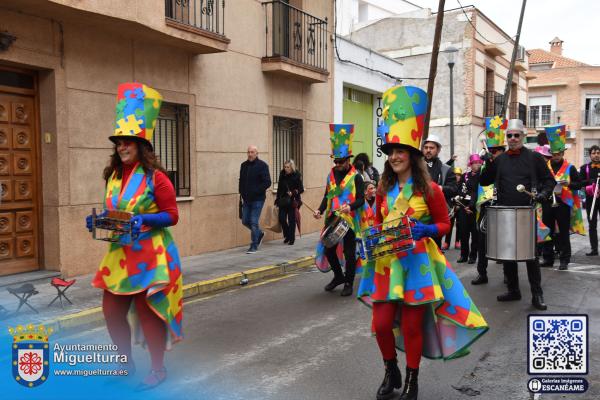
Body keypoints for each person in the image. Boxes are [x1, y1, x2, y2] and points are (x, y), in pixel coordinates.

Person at [358, 85, 488, 400]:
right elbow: (376, 224)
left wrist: (424, 231)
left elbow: (445, 224)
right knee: (381, 323)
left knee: (414, 327)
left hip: (417, 266)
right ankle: (392, 370)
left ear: (414, 155)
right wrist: (368, 242)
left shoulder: (431, 190)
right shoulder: (383, 190)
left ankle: (412, 382)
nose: (394, 156)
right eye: (390, 152)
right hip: (387, 266)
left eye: (400, 150)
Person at [86, 82, 183, 390]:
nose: (123, 147)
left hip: (150, 256)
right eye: (119, 142)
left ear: (142, 146)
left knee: (148, 311)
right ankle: (124, 362)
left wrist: (145, 218)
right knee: (111, 312)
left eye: (129, 141)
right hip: (119, 254)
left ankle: (158, 369)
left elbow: (173, 216)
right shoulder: (112, 176)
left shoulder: (158, 179)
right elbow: (115, 213)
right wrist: (98, 220)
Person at [479, 118, 554, 310]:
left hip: (527, 213)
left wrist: (544, 194)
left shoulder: (534, 158)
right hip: (504, 212)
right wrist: (487, 163)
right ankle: (514, 290)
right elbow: (484, 181)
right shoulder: (500, 160)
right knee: (508, 254)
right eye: (509, 135)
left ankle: (537, 294)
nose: (512, 139)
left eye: (516, 135)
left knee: (531, 256)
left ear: (523, 136)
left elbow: (549, 181)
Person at [314, 124, 365, 297]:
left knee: (349, 253)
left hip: (349, 219)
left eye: (340, 162)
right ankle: (338, 276)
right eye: (335, 161)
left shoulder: (356, 176)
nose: (337, 164)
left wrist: (350, 206)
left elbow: (361, 199)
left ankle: (349, 283)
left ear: (348, 160)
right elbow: (327, 195)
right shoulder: (331, 175)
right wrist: (320, 210)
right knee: (328, 249)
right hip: (332, 217)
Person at [541, 125, 584, 270]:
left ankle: (564, 259)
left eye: (559, 153)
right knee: (547, 231)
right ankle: (548, 258)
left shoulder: (570, 168)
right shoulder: (545, 166)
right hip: (548, 203)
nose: (556, 156)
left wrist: (569, 183)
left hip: (563, 203)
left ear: (562, 153)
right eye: (554, 153)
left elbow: (579, 184)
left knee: (564, 232)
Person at [471, 116, 506, 285]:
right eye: (491, 150)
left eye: (496, 150)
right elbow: (483, 183)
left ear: (502, 150)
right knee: (482, 242)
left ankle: (508, 276)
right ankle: (481, 273)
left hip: (505, 207)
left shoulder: (508, 164)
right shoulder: (487, 165)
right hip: (488, 207)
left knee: (506, 243)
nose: (493, 153)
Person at [422, 134, 458, 247]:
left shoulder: (446, 169)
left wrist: (440, 188)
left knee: (434, 248)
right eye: (426, 147)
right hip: (418, 215)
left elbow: (454, 189)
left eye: (431, 148)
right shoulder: (414, 167)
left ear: (438, 150)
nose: (428, 150)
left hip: (435, 217)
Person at [239, 145, 271, 254]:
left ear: (257, 153)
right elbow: (241, 180)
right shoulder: (243, 165)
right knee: (245, 221)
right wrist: (241, 192)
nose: (250, 154)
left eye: (252, 152)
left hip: (258, 199)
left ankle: (254, 245)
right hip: (246, 199)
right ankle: (259, 233)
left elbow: (267, 182)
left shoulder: (262, 166)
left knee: (253, 221)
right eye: (248, 152)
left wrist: (256, 191)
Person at [457, 155, 482, 264]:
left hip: (475, 208)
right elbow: (460, 191)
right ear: (470, 165)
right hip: (464, 207)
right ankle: (464, 255)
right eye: (475, 162)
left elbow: (477, 193)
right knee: (463, 232)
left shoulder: (481, 177)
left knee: (475, 234)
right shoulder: (464, 176)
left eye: (479, 162)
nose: (477, 164)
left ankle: (473, 256)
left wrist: (471, 206)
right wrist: (463, 205)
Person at [275, 160, 304, 245]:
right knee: (282, 218)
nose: (286, 169)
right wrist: (277, 199)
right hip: (283, 200)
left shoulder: (296, 175)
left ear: (292, 167)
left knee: (292, 220)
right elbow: (279, 188)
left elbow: (301, 189)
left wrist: (293, 192)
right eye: (285, 167)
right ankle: (287, 235)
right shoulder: (282, 175)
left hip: (293, 201)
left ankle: (291, 238)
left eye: (288, 167)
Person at [580, 144, 600, 256]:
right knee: (592, 225)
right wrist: (589, 182)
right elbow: (579, 182)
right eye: (594, 153)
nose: (596, 155)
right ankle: (594, 249)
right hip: (590, 200)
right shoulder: (584, 168)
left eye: (598, 153)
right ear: (590, 155)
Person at [442, 167, 463, 251]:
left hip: (460, 207)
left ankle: (457, 241)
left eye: (459, 175)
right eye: (455, 175)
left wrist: (459, 204)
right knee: (449, 225)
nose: (457, 177)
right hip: (451, 207)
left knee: (459, 225)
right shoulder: (450, 184)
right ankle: (447, 242)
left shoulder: (462, 184)